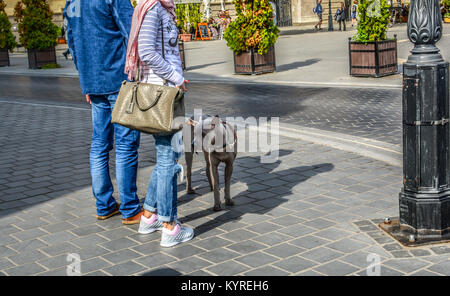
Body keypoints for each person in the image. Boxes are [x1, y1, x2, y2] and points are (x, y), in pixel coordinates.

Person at [64, 0, 143, 224]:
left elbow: (72, 42)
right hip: (119, 79)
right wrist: (139, 73)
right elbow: (132, 34)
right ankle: (130, 208)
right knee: (126, 144)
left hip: (93, 80)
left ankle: (105, 205)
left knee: (99, 144)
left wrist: (86, 80)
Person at [125, 0, 194, 247]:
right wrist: (176, 77)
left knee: (166, 154)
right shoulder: (154, 8)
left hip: (162, 90)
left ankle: (149, 216)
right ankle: (170, 226)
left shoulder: (160, 8)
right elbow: (146, 51)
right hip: (162, 92)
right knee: (168, 159)